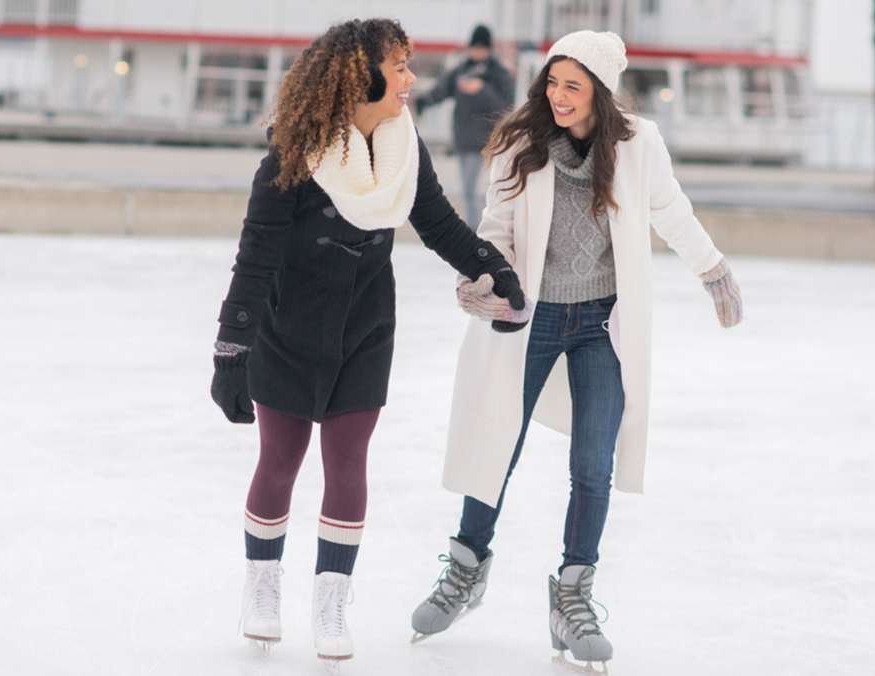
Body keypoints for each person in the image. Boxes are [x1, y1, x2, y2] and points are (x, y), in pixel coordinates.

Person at [408, 31, 744, 674]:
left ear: (600, 91)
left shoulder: (637, 144)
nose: (558, 97)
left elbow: (671, 212)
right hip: (529, 318)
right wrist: (481, 282)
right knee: (495, 441)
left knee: (593, 462)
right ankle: (468, 567)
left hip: (600, 323)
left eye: (573, 85)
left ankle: (572, 594)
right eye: (552, 83)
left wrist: (714, 271)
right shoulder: (517, 141)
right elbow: (496, 229)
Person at [208, 17, 531, 671]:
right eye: (400, 66)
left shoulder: (402, 150)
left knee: (349, 462)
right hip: (287, 327)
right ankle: (262, 588)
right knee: (279, 461)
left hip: (364, 328)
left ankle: (332, 601)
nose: (412, 78)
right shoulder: (291, 158)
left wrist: (492, 267)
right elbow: (255, 260)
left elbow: (438, 221)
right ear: (363, 76)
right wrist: (232, 352)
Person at [414, 24, 516, 231]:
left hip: (488, 140)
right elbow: (442, 90)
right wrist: (423, 101)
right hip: (463, 137)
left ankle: (479, 229)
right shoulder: (461, 70)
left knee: (485, 189)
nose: (477, 52)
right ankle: (475, 228)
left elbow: (506, 106)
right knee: (468, 189)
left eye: (481, 48)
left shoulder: (498, 73)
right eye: (474, 48)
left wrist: (481, 89)